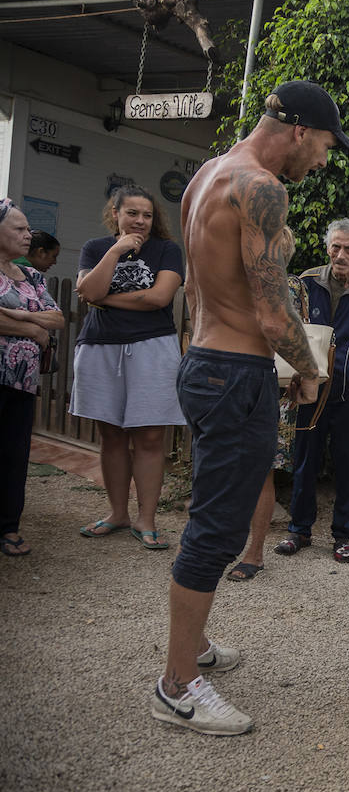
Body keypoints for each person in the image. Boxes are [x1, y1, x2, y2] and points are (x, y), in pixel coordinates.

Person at [151, 79, 349, 735]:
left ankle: (193, 645)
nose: (322, 160)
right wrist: (310, 371)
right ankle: (178, 684)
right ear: (298, 131)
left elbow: (228, 283)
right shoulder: (264, 187)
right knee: (216, 530)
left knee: (213, 515)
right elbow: (270, 311)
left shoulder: (210, 173)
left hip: (207, 362)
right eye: (323, 145)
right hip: (236, 372)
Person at [72, 185, 187, 550]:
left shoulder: (168, 250)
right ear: (116, 213)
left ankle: (146, 519)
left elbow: (159, 297)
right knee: (111, 435)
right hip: (100, 348)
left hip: (153, 347)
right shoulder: (95, 247)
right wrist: (117, 250)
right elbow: (89, 292)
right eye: (132, 213)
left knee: (150, 438)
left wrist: (103, 298)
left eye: (147, 215)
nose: (140, 220)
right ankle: (118, 513)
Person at [274, 218, 349, 563]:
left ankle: (343, 535)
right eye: (336, 247)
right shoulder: (306, 283)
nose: (341, 254)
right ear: (327, 248)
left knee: (348, 465)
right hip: (311, 388)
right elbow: (285, 326)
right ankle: (299, 530)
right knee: (306, 461)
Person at [227, 231, 308, 582]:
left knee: (263, 471)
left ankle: (255, 553)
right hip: (226, 381)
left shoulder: (292, 287)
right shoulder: (227, 279)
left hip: (272, 385)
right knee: (218, 467)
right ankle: (210, 547)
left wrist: (303, 373)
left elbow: (300, 331)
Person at [0, 199, 65, 557]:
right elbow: (44, 323)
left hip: (23, 382)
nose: (28, 235)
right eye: (19, 229)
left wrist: (18, 319)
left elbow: (57, 320)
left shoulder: (34, 277)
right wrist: (33, 328)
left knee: (15, 455)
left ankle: (9, 527)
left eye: (27, 230)